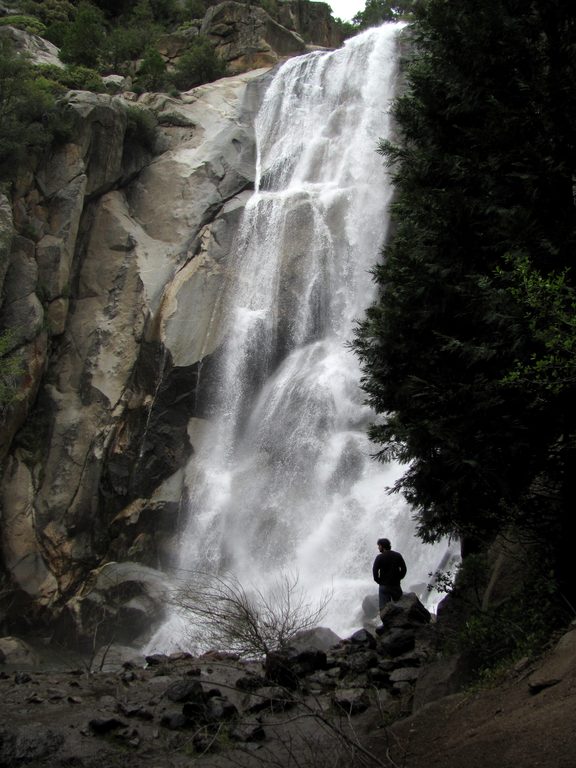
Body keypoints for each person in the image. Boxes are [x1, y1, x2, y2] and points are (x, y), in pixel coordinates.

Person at [372, 537, 407, 614]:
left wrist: (379, 581)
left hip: (384, 586)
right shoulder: (397, 555)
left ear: (382, 546)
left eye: (379, 546)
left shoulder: (379, 557)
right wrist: (399, 578)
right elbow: (404, 569)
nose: (378, 548)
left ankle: (387, 624)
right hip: (395, 585)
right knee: (400, 605)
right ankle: (401, 621)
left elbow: (374, 572)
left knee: (384, 609)